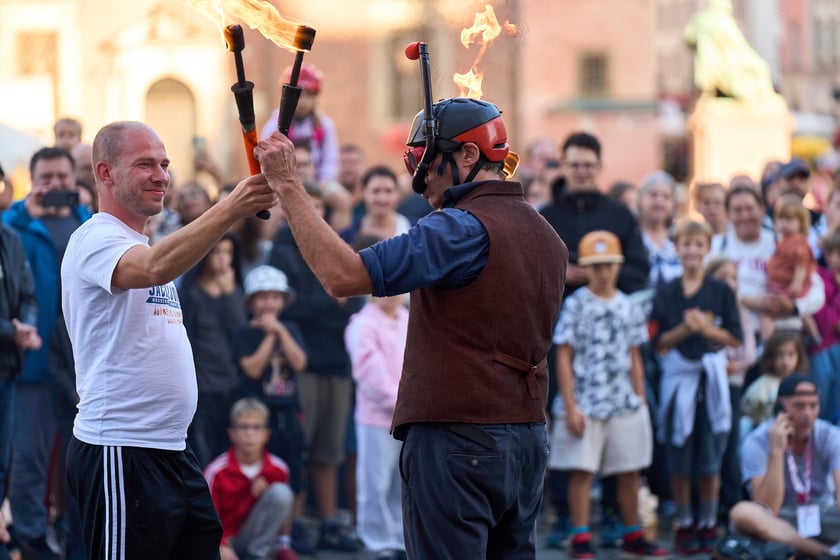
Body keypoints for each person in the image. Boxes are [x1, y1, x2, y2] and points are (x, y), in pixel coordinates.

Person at [253, 96, 568, 559]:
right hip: (524, 439)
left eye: (426, 159)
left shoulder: (459, 228)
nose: (418, 176)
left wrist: (288, 186)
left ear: (467, 155)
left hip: (458, 441)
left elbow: (344, 277)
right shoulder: (548, 236)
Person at [61, 120, 278, 558]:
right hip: (119, 450)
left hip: (172, 450)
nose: (162, 175)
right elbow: (154, 268)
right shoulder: (96, 237)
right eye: (145, 164)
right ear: (105, 173)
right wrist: (230, 207)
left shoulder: (142, 241)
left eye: (164, 164)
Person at [539, 131, 648, 548]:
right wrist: (564, 277)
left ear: (599, 168)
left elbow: (638, 271)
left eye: (588, 164)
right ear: (563, 166)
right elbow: (533, 274)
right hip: (559, 344)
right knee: (569, 436)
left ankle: (618, 519)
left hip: (616, 351)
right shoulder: (545, 215)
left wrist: (595, 277)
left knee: (622, 445)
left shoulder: (619, 216)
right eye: (574, 163)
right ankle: (568, 519)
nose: (581, 170)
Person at [549, 230, 667, 559]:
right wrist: (570, 405)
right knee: (582, 470)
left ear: (618, 266)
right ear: (587, 268)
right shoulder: (575, 305)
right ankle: (581, 536)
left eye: (609, 265)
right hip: (586, 399)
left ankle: (633, 533)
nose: (603, 272)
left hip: (622, 400)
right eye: (596, 265)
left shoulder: (628, 305)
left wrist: (640, 398)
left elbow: (634, 355)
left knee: (629, 471)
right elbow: (563, 355)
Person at [3, 146, 91, 559]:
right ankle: (30, 537)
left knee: (81, 459)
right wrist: (25, 213)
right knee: (31, 457)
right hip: (33, 362)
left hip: (84, 363)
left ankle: (78, 537)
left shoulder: (87, 222)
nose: (56, 185)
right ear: (33, 181)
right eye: (47, 178)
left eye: (63, 177)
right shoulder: (18, 223)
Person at [268, 181, 363, 554]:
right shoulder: (282, 251)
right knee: (299, 448)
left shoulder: (336, 245)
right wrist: (330, 301)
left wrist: (330, 300)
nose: (316, 213)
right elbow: (289, 309)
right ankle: (295, 527)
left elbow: (352, 302)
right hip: (301, 363)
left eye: (321, 207)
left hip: (337, 364)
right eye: (310, 205)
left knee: (330, 452)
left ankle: (327, 522)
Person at [650, 219, 742, 554]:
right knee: (679, 456)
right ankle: (683, 522)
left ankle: (707, 522)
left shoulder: (721, 291)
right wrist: (685, 330)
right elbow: (658, 342)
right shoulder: (668, 290)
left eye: (698, 244)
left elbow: (734, 336)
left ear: (707, 248)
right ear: (677, 247)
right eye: (685, 243)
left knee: (709, 460)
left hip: (712, 379)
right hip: (679, 379)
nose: (691, 250)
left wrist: (706, 328)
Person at [232, 264, 307, 555]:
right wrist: (269, 337)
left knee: (294, 472)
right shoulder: (243, 333)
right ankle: (260, 533)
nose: (270, 304)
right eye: (263, 297)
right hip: (258, 416)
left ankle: (288, 535)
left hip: (288, 413)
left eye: (276, 297)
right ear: (251, 301)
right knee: (262, 473)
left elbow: (300, 363)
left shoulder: (292, 330)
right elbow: (251, 369)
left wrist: (282, 333)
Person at [727, 374, 840, 559]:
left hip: (822, 513)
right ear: (780, 406)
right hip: (779, 520)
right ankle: (824, 553)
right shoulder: (757, 441)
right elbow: (768, 508)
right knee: (741, 513)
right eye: (799, 406)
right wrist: (776, 451)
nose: (808, 414)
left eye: (813, 405)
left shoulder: (830, 435)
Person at [344, 243, 408, 560]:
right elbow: (370, 373)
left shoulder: (410, 320)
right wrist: (400, 404)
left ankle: (399, 537)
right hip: (377, 417)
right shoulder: (362, 324)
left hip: (408, 418)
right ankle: (376, 540)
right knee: (375, 482)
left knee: (401, 482)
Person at [181, 233, 247, 467]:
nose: (222, 259)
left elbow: (242, 334)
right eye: (217, 252)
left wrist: (229, 296)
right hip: (202, 387)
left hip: (232, 384)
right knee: (203, 456)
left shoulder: (236, 292)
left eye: (228, 253)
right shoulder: (190, 294)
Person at [204, 398, 295, 560]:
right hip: (225, 541)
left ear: (266, 434)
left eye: (256, 427)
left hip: (258, 539)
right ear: (231, 433)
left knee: (281, 493)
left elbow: (282, 512)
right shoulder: (216, 471)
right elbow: (206, 518)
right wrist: (220, 545)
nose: (249, 433)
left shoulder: (279, 469)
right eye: (243, 427)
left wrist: (267, 496)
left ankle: (257, 556)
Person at [0, 208, 40, 556]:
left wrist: (26, 327)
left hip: (7, 368)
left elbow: (27, 294)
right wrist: (11, 331)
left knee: (3, 462)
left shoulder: (10, 239)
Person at [751, 196, 818, 341]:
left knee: (767, 313)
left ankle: (767, 343)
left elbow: (801, 263)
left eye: (789, 220)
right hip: (781, 285)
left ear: (801, 223)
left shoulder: (798, 242)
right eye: (780, 219)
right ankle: (813, 333)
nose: (784, 224)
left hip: (788, 287)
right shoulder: (782, 241)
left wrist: (797, 282)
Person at [260, 63, 340, 184]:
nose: (303, 102)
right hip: (282, 184)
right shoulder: (274, 125)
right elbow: (264, 161)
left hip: (317, 184)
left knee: (339, 197)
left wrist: (324, 181)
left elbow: (331, 160)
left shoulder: (324, 126)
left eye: (309, 95)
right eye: (299, 96)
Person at [741, 331, 809, 433]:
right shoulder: (763, 384)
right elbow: (750, 410)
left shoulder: (803, 383)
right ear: (770, 357)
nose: (785, 361)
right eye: (780, 355)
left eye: (791, 355)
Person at [810, 231, 840, 423]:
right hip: (821, 346)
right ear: (827, 255)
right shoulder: (818, 277)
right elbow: (823, 318)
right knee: (820, 394)